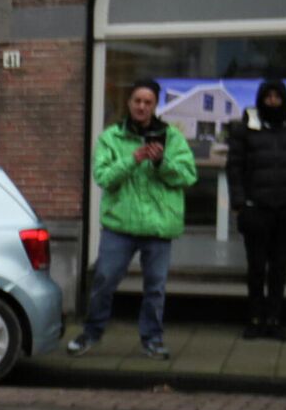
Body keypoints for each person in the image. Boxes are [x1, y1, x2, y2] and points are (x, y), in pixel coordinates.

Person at [65, 79, 197, 360]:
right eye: (137, 100)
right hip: (120, 225)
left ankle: (152, 339)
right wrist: (133, 160)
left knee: (155, 288)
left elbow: (188, 176)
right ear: (129, 103)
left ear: (155, 105)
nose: (141, 106)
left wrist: (161, 163)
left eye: (148, 102)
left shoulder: (172, 137)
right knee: (104, 280)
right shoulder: (111, 137)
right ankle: (91, 332)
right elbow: (103, 178)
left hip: (159, 225)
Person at [226, 78, 286, 341]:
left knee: (279, 268)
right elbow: (235, 167)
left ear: (285, 99)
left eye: (278, 97)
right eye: (269, 97)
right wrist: (240, 204)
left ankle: (275, 319)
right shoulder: (245, 130)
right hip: (256, 210)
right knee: (256, 267)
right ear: (261, 99)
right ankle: (255, 319)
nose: (273, 101)